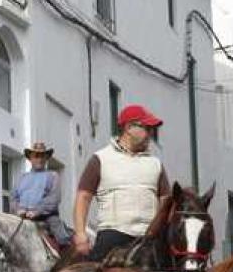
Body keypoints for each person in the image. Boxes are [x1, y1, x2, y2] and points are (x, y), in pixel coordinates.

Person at [72, 104, 170, 261]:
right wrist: (81, 233)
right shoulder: (101, 159)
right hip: (112, 235)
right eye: (147, 128)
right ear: (129, 127)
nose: (151, 134)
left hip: (149, 238)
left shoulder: (155, 164)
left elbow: (166, 203)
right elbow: (83, 197)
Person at [12, 141, 71, 247]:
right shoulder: (21, 178)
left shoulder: (53, 176)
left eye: (42, 156)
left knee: (61, 236)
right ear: (30, 158)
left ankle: (69, 257)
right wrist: (18, 210)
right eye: (36, 156)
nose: (39, 159)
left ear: (46, 158)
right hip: (22, 216)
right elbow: (14, 197)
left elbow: (54, 198)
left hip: (46, 217)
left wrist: (37, 211)